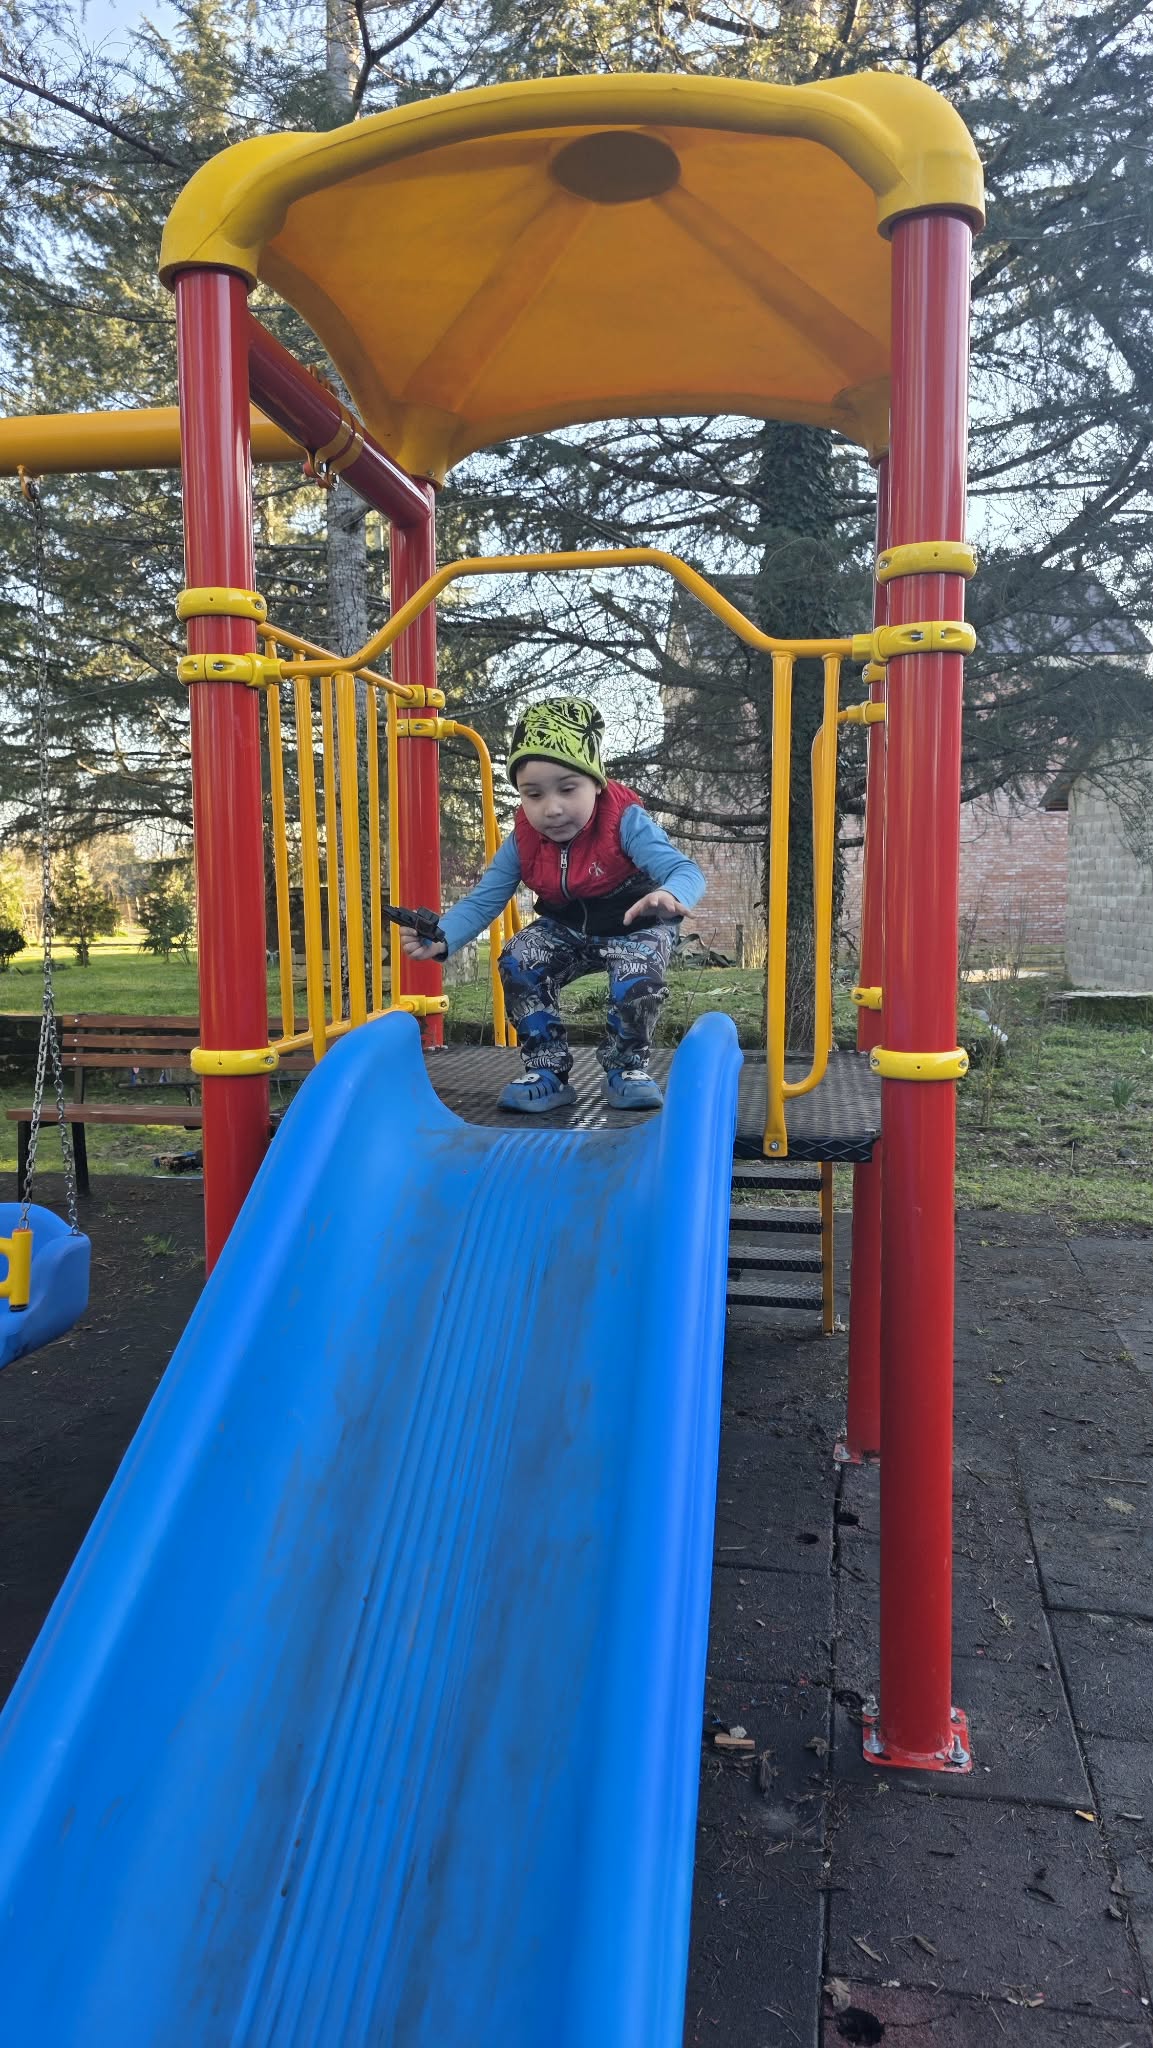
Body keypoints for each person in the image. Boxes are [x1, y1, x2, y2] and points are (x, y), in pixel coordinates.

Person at [399, 697, 706, 1113]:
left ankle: (625, 1068)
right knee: (519, 956)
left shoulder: (624, 821)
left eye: (567, 789)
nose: (552, 808)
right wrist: (442, 937)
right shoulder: (525, 838)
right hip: (570, 927)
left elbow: (685, 870)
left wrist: (671, 895)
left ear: (596, 783)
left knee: (637, 974)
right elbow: (485, 898)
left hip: (636, 923)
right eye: (534, 794)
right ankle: (546, 1071)